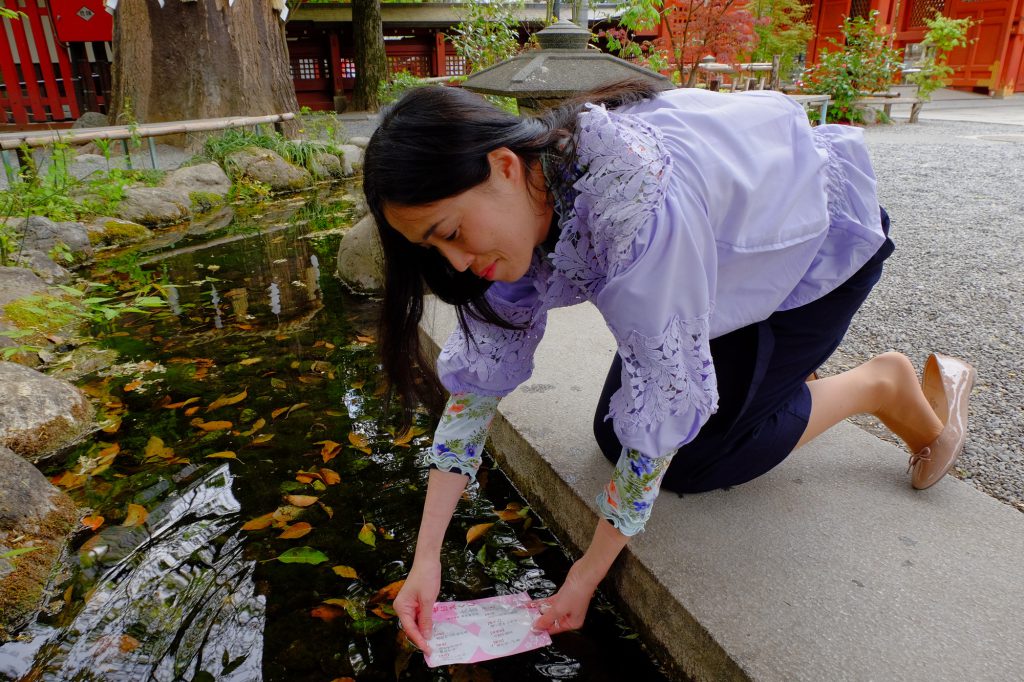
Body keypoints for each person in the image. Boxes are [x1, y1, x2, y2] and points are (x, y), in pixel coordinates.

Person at [361, 80, 976, 656]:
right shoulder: (521, 208)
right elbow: (476, 393)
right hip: (719, 275)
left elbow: (662, 407)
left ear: (502, 165)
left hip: (811, 251)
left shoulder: (631, 209)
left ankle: (882, 385)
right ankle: (779, 380)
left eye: (451, 232)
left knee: (700, 458)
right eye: (433, 249)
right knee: (613, 433)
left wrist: (584, 577)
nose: (459, 262)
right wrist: (426, 561)